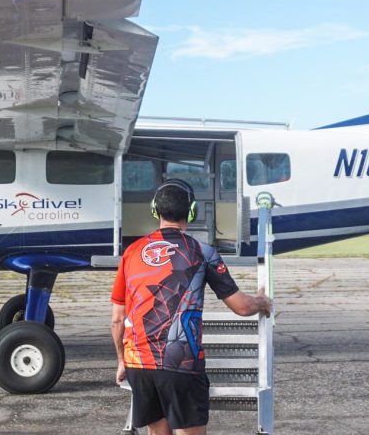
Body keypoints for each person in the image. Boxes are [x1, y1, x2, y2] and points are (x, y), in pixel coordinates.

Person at [111, 179, 272, 435]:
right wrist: (261, 302)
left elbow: (118, 319)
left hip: (138, 364)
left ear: (155, 210)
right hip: (180, 364)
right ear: (192, 211)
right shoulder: (202, 252)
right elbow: (241, 307)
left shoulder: (131, 252)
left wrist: (122, 360)